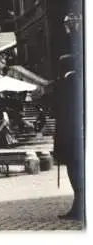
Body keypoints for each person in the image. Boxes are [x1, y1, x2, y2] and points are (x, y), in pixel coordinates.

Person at [54, 55, 84, 221]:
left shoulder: (65, 84)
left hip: (69, 136)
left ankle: (79, 206)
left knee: (74, 171)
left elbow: (58, 109)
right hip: (79, 133)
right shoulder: (80, 80)